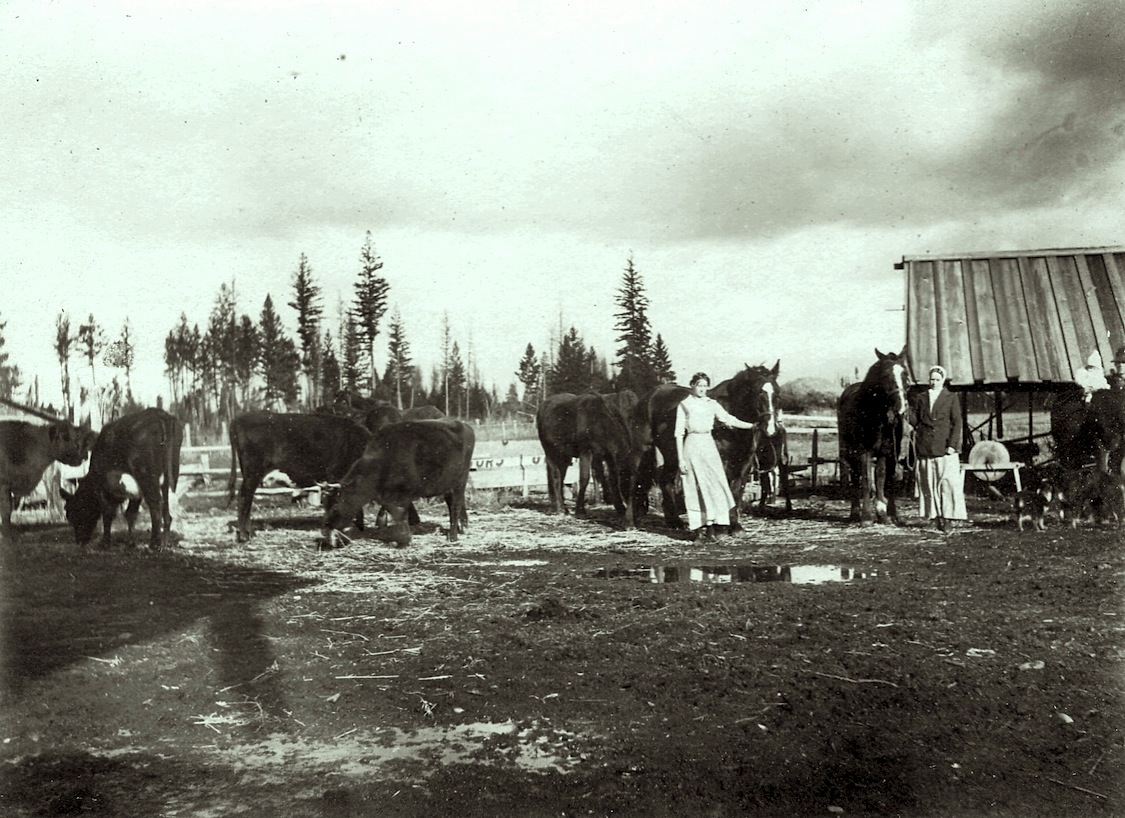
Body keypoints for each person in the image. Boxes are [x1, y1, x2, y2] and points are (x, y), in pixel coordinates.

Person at [675, 372, 756, 540]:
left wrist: (752, 426)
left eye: (705, 386)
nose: (702, 389)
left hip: (708, 444)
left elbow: (727, 419)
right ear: (692, 386)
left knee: (715, 483)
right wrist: (681, 459)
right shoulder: (684, 405)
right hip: (691, 444)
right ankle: (698, 529)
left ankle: (715, 526)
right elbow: (678, 433)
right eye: (699, 385)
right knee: (694, 486)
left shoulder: (712, 404)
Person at [909, 365, 963, 533]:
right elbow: (915, 421)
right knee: (929, 484)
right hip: (925, 447)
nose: (934, 382)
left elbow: (957, 422)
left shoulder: (951, 397)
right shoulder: (921, 397)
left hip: (944, 448)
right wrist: (905, 411)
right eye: (931, 379)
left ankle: (947, 518)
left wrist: (952, 446)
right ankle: (933, 517)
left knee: (947, 484)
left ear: (943, 380)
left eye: (937, 379)